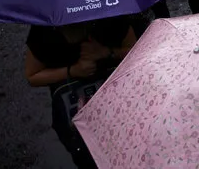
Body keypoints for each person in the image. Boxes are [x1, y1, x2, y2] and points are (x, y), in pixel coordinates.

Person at [25, 18, 136, 168]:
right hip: (74, 111)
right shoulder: (43, 31)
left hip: (121, 101)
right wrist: (72, 71)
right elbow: (33, 76)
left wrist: (107, 53)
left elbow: (137, 51)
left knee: (130, 146)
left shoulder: (113, 18)